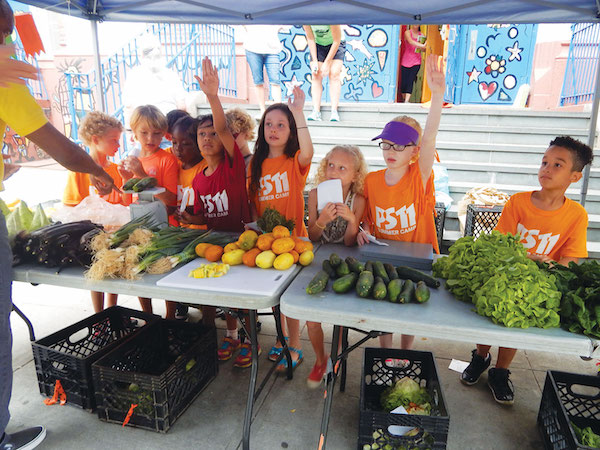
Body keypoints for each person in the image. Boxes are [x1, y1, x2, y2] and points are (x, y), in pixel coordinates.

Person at [0, 2, 117, 447]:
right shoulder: (4, 78)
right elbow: (65, 150)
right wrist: (101, 173)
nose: (12, 43)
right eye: (7, 33)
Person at [460, 136, 593, 405]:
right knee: (487, 317)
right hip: (503, 276)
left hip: (537, 284)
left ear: (575, 176)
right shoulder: (518, 202)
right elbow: (499, 244)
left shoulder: (577, 214)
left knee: (515, 326)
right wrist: (530, 257)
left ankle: (500, 371)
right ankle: (480, 356)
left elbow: (572, 259)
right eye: (545, 162)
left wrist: (546, 265)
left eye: (558, 165)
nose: (547, 168)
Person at [358, 55, 444, 349]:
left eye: (399, 146)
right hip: (386, 257)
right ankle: (385, 352)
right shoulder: (371, 181)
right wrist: (364, 229)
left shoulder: (419, 177)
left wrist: (437, 97)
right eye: (386, 144)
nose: (391, 151)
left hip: (417, 258)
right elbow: (368, 218)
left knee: (409, 310)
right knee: (385, 309)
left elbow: (430, 138)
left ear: (414, 151)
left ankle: (406, 353)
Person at [177, 58, 253, 367]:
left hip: (245, 238)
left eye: (212, 135)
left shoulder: (233, 165)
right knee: (224, 295)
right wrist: (189, 219)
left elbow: (223, 126)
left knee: (244, 293)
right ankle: (232, 336)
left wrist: (212, 96)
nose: (207, 139)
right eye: (201, 135)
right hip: (217, 241)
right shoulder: (198, 177)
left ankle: (248, 340)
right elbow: (203, 216)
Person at [248, 85, 314, 372]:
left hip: (294, 240)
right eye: (269, 124)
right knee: (274, 298)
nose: (273, 130)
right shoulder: (254, 164)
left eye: (281, 125)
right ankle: (281, 337)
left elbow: (310, 150)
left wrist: (299, 113)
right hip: (267, 242)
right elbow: (254, 205)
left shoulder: (294, 161)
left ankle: (296, 345)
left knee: (289, 299)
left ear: (291, 131)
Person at [305, 145, 367, 387]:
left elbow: (351, 242)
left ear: (355, 174)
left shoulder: (358, 200)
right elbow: (312, 236)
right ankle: (321, 359)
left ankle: (336, 356)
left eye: (342, 168)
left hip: (345, 261)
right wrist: (321, 221)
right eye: (331, 165)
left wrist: (352, 219)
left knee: (338, 316)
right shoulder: (314, 195)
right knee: (311, 318)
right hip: (319, 257)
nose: (334, 171)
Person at [63, 111, 130, 314]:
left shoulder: (117, 169)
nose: (118, 146)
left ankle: (113, 310)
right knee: (96, 273)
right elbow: (72, 205)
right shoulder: (78, 171)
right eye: (114, 141)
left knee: (113, 272)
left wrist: (127, 180)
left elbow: (124, 202)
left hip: (115, 232)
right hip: (89, 234)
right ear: (95, 139)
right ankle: (99, 315)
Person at [119, 105, 179, 319]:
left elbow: (172, 200)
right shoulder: (131, 160)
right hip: (139, 227)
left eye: (156, 133)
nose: (150, 138)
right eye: (144, 132)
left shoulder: (167, 160)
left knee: (164, 272)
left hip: (165, 227)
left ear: (163, 133)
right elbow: (126, 200)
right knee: (140, 270)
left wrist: (140, 174)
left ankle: (170, 317)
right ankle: (148, 317)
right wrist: (127, 178)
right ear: (133, 132)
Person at [303, 25, 345, 122]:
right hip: (318, 45)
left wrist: (327, 62)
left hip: (336, 43)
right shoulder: (306, 19)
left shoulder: (331, 17)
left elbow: (336, 41)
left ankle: (334, 111)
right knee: (316, 74)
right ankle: (316, 111)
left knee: (334, 73)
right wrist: (314, 60)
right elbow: (310, 38)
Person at [243, 25, 282, 119]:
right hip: (252, 48)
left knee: (275, 81)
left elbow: (285, 25)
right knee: (258, 81)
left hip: (272, 49)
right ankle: (262, 111)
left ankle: (279, 112)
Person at [400, 25, 426, 103]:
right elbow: (410, 41)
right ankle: (404, 99)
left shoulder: (422, 35)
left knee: (410, 80)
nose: (415, 25)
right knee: (404, 82)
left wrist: (423, 47)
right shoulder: (407, 32)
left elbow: (424, 50)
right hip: (406, 60)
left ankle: (407, 101)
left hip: (416, 61)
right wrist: (422, 45)